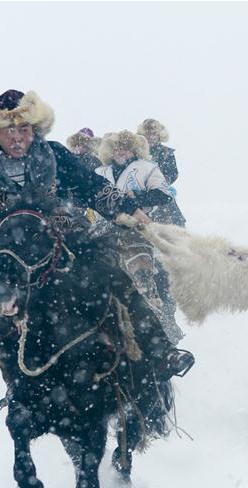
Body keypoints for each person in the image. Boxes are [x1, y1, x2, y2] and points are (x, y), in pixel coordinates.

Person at [0, 88, 193, 378]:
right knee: (1, 317)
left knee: (114, 277)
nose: (16, 137)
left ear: (34, 128)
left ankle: (160, 351)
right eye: (7, 129)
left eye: (23, 128)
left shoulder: (55, 155)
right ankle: (16, 390)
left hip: (64, 239)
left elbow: (94, 188)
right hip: (8, 251)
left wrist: (127, 208)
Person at [95, 130, 183, 342]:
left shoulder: (147, 168)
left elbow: (164, 195)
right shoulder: (99, 172)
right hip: (104, 236)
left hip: (137, 231)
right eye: (116, 147)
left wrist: (138, 198)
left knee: (143, 282)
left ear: (134, 149)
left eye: (125, 147)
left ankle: (160, 337)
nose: (120, 151)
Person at [136, 118, 186, 226]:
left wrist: (161, 182)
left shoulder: (167, 153)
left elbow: (173, 173)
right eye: (147, 133)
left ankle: (178, 229)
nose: (150, 137)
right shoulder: (136, 152)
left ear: (159, 135)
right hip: (138, 189)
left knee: (173, 213)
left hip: (161, 189)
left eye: (153, 133)